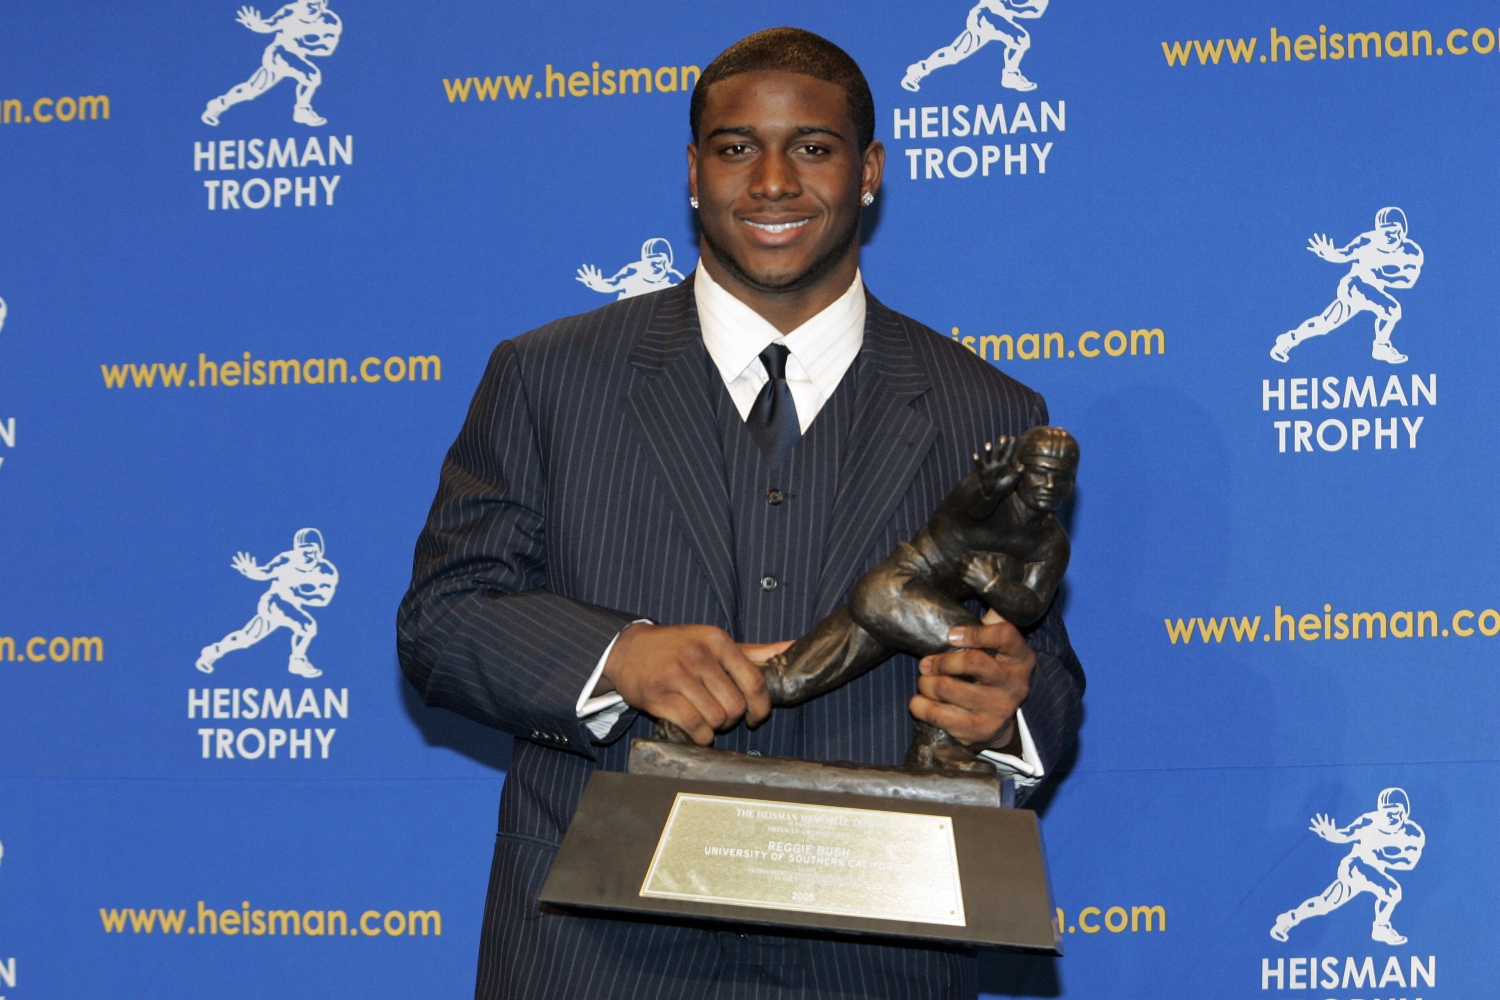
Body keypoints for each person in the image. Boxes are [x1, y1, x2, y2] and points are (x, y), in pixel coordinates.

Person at [399, 26, 1083, 1000]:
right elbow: (442, 619)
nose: (771, 180)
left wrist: (1007, 707)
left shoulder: (989, 412)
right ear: (692, 172)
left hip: (873, 960)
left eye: (812, 146)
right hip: (593, 962)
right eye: (735, 148)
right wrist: (617, 655)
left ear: (871, 170)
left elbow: (1044, 671)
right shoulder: (548, 378)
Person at [1270, 788, 1425, 946]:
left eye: (1396, 810)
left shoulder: (1413, 833)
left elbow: (1409, 862)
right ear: (1380, 810)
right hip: (1355, 866)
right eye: (1387, 811)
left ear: (1405, 811)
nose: (1392, 816)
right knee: (1392, 891)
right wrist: (1330, 834)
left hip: (1375, 871)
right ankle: (1380, 928)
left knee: (1324, 903)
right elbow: (1346, 834)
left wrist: (1382, 857)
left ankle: (1287, 920)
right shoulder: (1369, 822)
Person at [1270, 207, 1423, 365]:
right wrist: (1330, 254)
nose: (1390, 235)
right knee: (1391, 309)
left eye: (1394, 230)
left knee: (1323, 324)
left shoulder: (1411, 252)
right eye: (1385, 230)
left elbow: (1408, 281)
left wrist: (1381, 275)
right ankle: (1381, 347)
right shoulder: (1367, 241)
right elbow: (1345, 254)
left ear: (1402, 229)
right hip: (1354, 286)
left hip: (1374, 291)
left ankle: (1287, 340)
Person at [198, 528, 338, 678]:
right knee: (307, 626)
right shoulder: (286, 560)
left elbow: (323, 600)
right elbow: (265, 572)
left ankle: (213, 651)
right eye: (302, 549)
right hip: (273, 602)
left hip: (291, 608)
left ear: (319, 550)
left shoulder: (326, 572)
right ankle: (297, 661)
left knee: (245, 637)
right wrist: (251, 571)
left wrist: (297, 593)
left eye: (310, 549)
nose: (306, 554)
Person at [202, 1, 343, 127]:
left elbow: (327, 49)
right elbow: (269, 25)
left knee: (251, 89)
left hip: (297, 57)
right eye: (309, 3)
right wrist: (256, 25)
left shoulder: (330, 21)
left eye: (318, 3)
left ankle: (219, 104)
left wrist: (300, 45)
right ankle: (301, 110)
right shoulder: (290, 11)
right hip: (278, 54)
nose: (314, 7)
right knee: (311, 75)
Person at [902, 0, 1050, 93]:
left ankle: (918, 70)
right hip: (985, 15)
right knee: (1020, 39)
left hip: (1001, 19)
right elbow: (997, 4)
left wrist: (1011, 6)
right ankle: (1010, 75)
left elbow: (1035, 10)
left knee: (953, 53)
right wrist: (1012, 6)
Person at [577, 237, 687, 300]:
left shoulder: (675, 278)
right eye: (650, 260)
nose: (654, 265)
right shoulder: (632, 272)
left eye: (658, 261)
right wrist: (596, 283)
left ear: (668, 262)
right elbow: (610, 285)